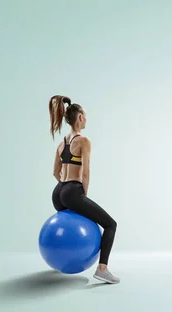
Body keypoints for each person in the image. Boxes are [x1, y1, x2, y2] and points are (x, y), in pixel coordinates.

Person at [48, 95, 120, 284]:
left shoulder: (62, 143)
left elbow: (55, 172)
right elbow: (86, 173)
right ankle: (102, 269)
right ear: (79, 117)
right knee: (111, 225)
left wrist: (65, 187)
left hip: (58, 193)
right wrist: (80, 194)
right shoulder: (84, 141)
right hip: (72, 192)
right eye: (85, 116)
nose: (86, 119)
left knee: (71, 222)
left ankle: (60, 258)